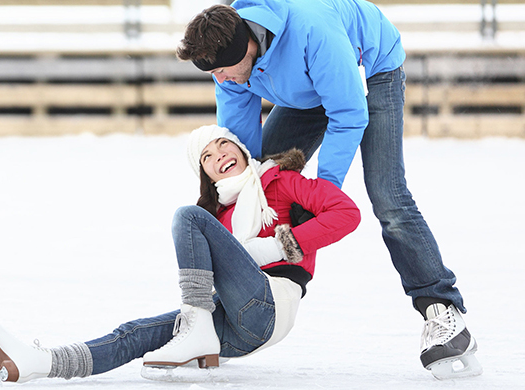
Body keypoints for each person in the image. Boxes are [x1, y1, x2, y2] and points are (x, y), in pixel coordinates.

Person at [175, 0, 482, 379]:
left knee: (388, 196)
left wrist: (322, 194)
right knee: (264, 181)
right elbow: (241, 141)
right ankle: (252, 286)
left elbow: (348, 113)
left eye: (223, 70)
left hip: (371, 71)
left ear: (245, 49)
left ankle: (442, 309)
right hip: (308, 87)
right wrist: (243, 190)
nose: (220, 79)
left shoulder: (312, 32)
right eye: (214, 74)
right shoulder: (227, 57)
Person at [0, 124, 360, 385]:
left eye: (223, 142)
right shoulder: (218, 218)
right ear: (207, 175)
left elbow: (347, 213)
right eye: (206, 156)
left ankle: (196, 327)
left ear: (240, 148)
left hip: (273, 302)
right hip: (240, 329)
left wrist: (279, 246)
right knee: (135, 333)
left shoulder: (282, 181)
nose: (219, 153)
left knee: (187, 217)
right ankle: (40, 363)